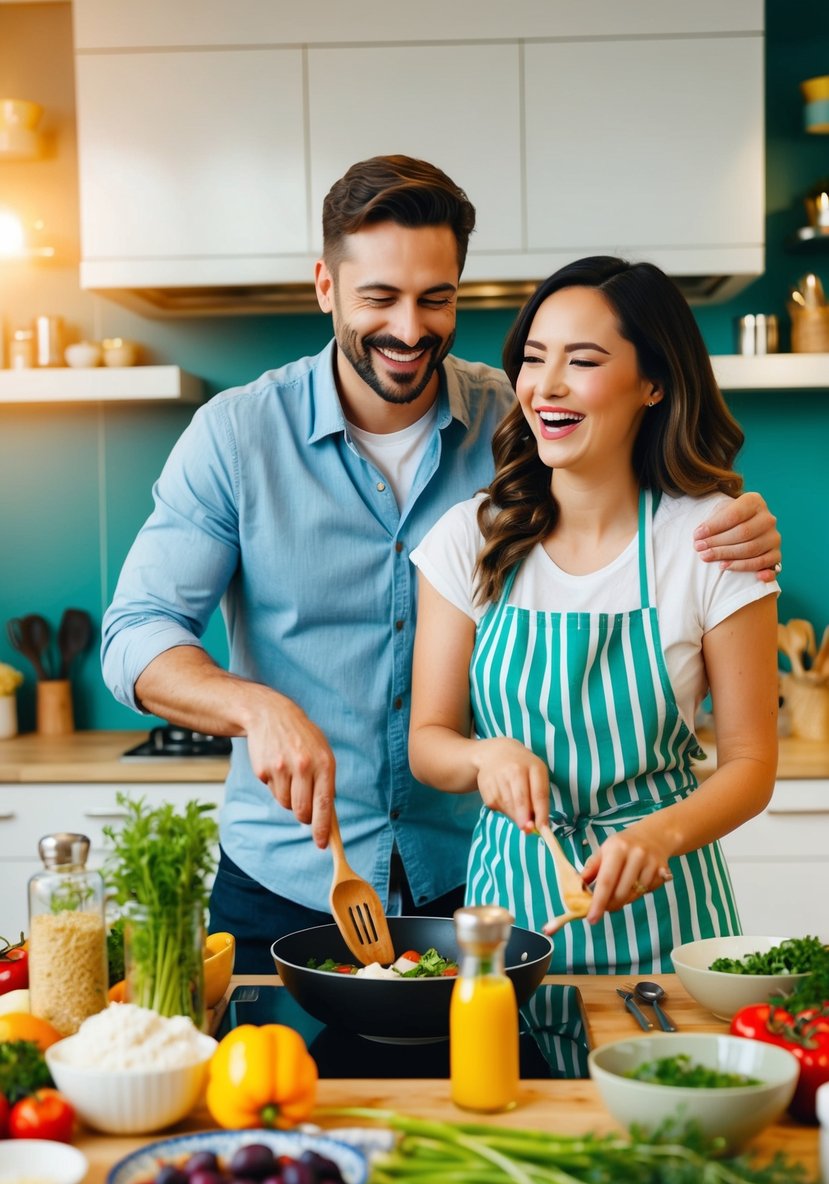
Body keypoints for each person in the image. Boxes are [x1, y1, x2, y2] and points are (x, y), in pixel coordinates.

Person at [101, 158, 780, 973]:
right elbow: (136, 633)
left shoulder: (522, 418)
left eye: (436, 298)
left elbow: (638, 480)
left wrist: (737, 517)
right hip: (288, 879)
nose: (410, 329)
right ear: (326, 285)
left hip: (477, 885)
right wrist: (255, 709)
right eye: (379, 298)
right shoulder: (238, 436)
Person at [408, 255, 779, 976]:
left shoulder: (710, 541)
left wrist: (658, 836)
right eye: (533, 358)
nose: (545, 386)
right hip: (511, 928)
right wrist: (484, 754)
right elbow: (429, 743)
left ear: (652, 383)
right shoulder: (467, 538)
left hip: (673, 929)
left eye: (582, 361)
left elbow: (751, 765)